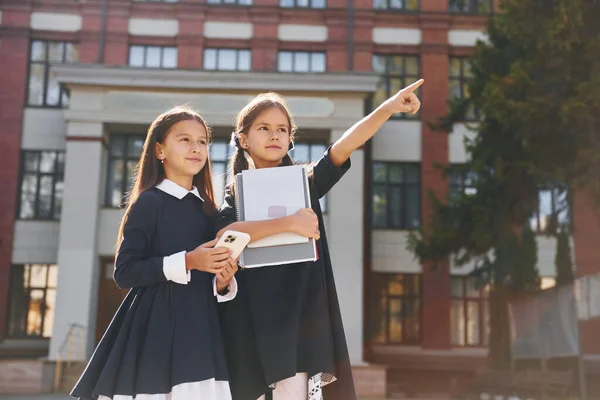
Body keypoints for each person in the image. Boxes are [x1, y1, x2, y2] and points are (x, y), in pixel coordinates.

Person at [216, 80, 424, 400]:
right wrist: (288, 223)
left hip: (300, 326)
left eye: (282, 130)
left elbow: (343, 146)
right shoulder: (233, 198)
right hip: (253, 326)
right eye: (264, 128)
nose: (275, 135)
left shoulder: (305, 186)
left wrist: (389, 107)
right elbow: (225, 237)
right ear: (242, 138)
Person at [71, 105, 239, 400]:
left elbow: (208, 282)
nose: (196, 148)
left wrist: (222, 280)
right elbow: (124, 272)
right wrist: (187, 261)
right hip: (155, 333)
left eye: (202, 141)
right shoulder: (149, 202)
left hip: (201, 334)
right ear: (160, 151)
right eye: (184, 140)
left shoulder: (210, 211)